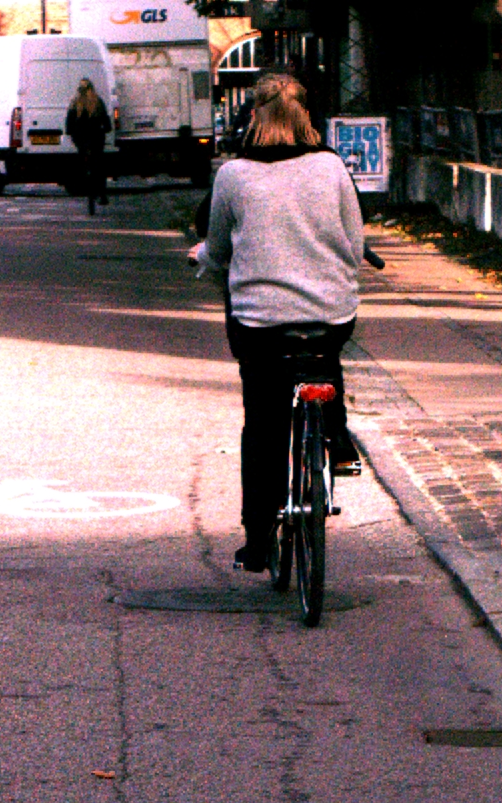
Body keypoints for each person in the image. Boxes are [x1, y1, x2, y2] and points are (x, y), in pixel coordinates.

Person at [199, 72, 364, 573]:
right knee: (324, 354)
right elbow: (355, 244)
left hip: (261, 325)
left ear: (255, 116)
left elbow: (218, 248)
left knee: (263, 423)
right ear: (305, 116)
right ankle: (335, 437)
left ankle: (258, 541)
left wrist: (203, 256)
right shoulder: (332, 167)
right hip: (329, 315)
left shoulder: (233, 175)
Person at [64, 78, 112, 215]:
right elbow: (106, 121)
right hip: (96, 137)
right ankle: (102, 194)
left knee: (82, 159)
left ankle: (84, 180)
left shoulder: (75, 102)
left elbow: (69, 123)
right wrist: (105, 128)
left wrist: (70, 132)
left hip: (81, 138)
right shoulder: (97, 101)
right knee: (99, 164)